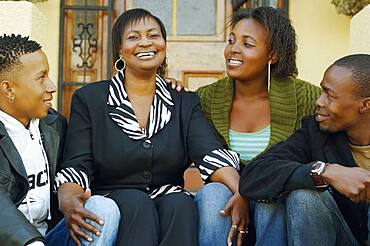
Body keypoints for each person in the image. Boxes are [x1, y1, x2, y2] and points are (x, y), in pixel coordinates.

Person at [55, 8, 240, 246]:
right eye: (133, 37)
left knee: (180, 203)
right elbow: (76, 163)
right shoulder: (90, 99)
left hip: (168, 197)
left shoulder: (183, 101)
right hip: (112, 196)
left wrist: (239, 191)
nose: (145, 42)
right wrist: (68, 197)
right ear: (120, 49)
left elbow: (209, 153)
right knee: (136, 202)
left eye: (153, 35)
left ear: (163, 44)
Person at [193, 6, 322, 246]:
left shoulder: (307, 97)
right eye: (231, 40)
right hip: (225, 203)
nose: (233, 49)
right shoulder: (206, 99)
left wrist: (251, 190)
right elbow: (203, 152)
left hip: (277, 203)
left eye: (247, 44)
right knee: (212, 194)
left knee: (270, 198)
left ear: (272, 55)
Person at [0, 34, 119, 246]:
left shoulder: (55, 126)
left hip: (51, 236)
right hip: (13, 240)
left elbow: (80, 167)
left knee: (102, 208)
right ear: (9, 89)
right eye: (41, 78)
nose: (52, 86)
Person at [239, 54, 370, 245]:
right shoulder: (316, 133)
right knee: (304, 195)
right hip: (341, 237)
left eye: (329, 95)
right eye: (321, 91)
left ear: (365, 105)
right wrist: (325, 171)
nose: (319, 101)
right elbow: (253, 176)